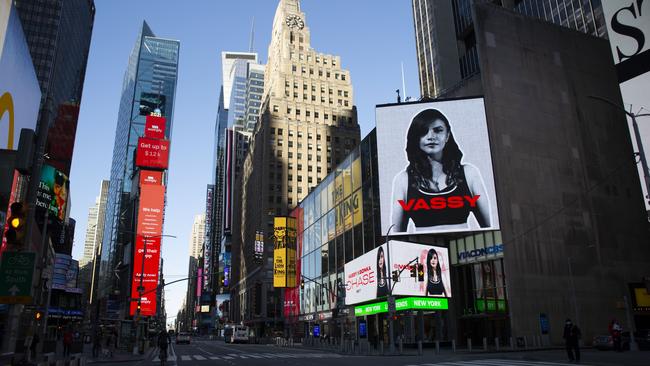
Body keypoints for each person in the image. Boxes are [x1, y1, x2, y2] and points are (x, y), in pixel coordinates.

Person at [391, 109, 491, 233]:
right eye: (423, 132)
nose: (431, 137)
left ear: (447, 135)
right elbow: (396, 235)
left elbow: (489, 229)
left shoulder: (469, 173)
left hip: (464, 248)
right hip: (422, 249)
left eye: (438, 130)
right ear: (416, 138)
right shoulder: (403, 180)